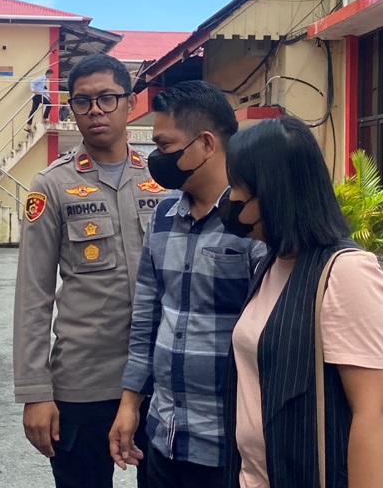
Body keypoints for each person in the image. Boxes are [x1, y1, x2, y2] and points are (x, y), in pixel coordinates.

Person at [219, 115, 383, 487]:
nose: (229, 199)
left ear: (272, 193)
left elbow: (372, 416)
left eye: (237, 187)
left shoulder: (347, 274)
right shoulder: (272, 264)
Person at [13, 53, 166, 488]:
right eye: (82, 101)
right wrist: (35, 392)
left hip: (159, 379)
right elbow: (33, 295)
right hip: (83, 384)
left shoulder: (163, 179)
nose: (95, 110)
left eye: (107, 98)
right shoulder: (51, 185)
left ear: (130, 103)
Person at [109, 81, 266, 487]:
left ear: (206, 144)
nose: (156, 159)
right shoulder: (162, 217)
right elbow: (146, 318)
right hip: (163, 438)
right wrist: (130, 404)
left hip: (229, 447)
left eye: (164, 146)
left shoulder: (253, 223)